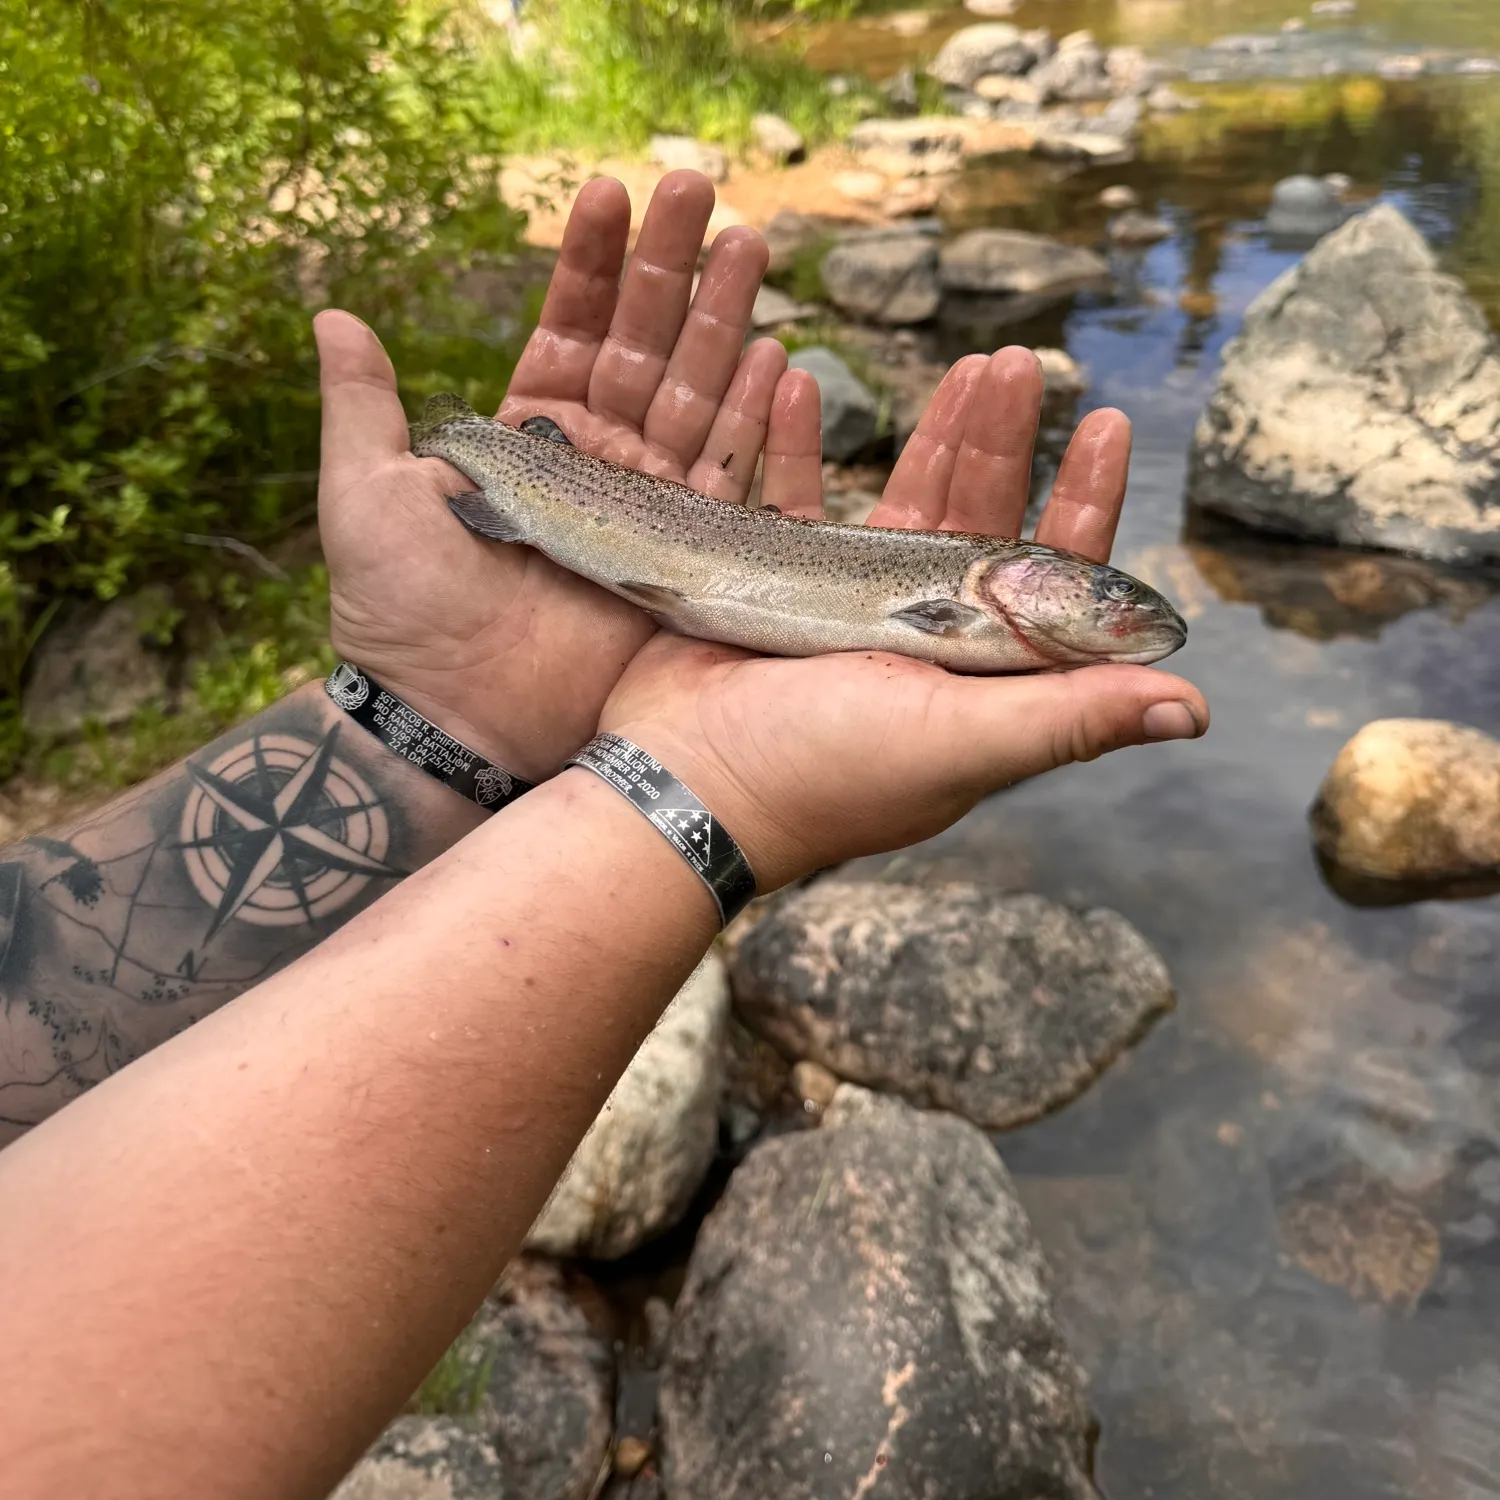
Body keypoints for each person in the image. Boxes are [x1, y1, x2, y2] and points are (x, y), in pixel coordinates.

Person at [0, 171, 1207, 1499]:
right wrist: (704, 793)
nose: (1112, 609)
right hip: (570, 520)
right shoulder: (949, 587)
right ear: (1024, 583)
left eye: (1103, 598)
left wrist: (425, 720)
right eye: (1097, 594)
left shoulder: (971, 599)